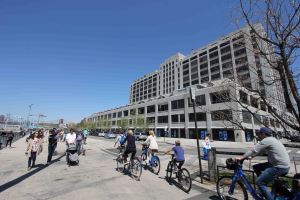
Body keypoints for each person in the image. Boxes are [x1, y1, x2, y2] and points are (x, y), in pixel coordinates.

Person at [237, 127, 290, 200]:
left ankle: (263, 185)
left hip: (279, 167)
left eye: (259, 134)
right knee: (256, 167)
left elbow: (253, 150)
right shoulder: (273, 140)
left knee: (259, 182)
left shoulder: (266, 140)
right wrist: (252, 156)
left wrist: (241, 158)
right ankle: (263, 188)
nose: (258, 135)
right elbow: (262, 151)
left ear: (263, 134)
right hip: (282, 165)